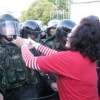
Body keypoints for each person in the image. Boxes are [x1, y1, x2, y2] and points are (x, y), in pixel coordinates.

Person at [13, 16, 100, 100]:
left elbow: (30, 61)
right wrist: (36, 45)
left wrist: (22, 45)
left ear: (80, 38)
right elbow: (57, 55)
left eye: (72, 33)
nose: (68, 36)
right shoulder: (87, 56)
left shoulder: (67, 58)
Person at [0, 14, 58, 100]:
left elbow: (40, 64)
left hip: (35, 92)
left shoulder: (25, 44)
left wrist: (51, 82)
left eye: (13, 26)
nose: (10, 29)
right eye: (6, 27)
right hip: (12, 95)